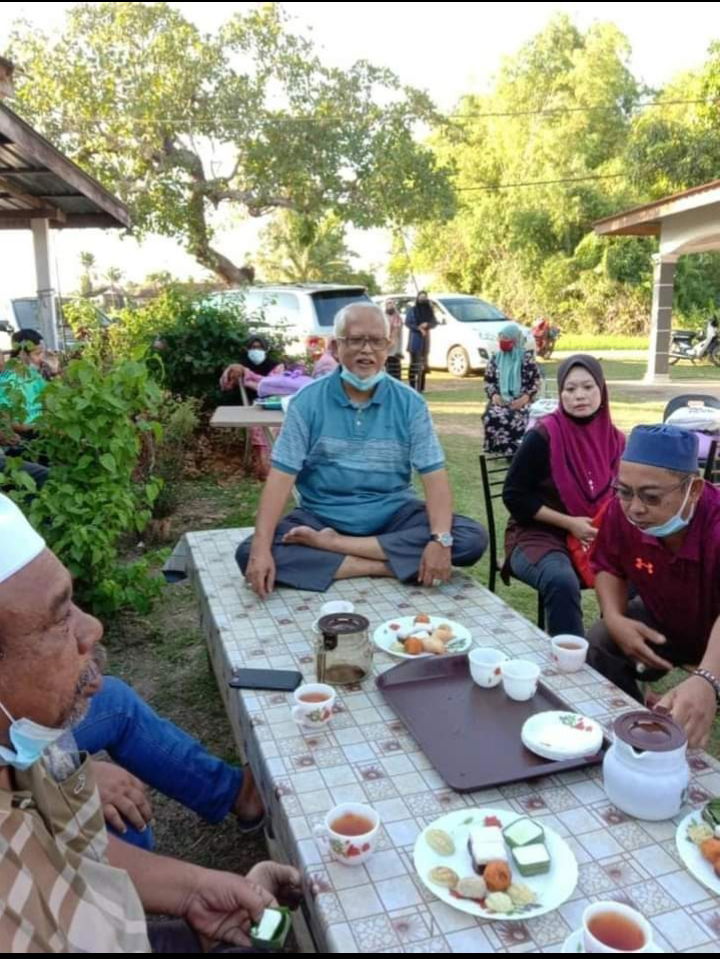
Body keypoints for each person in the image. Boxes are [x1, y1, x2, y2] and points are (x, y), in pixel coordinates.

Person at [0, 492, 301, 952]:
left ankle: (236, 794)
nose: (92, 627)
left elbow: (66, 847)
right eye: (59, 618)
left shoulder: (22, 749)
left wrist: (193, 895)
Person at [237, 303, 487, 596]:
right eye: (355, 340)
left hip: (393, 518)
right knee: (248, 552)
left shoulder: (410, 404)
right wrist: (260, 549)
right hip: (321, 517)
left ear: (389, 345)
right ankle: (384, 566)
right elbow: (280, 479)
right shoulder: (306, 403)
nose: (366, 350)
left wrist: (441, 541)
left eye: (376, 341)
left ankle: (334, 549)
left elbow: (435, 477)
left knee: (469, 538)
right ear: (336, 346)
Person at [587, 424, 720, 748]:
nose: (635, 508)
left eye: (651, 496)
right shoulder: (624, 514)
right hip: (667, 624)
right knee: (601, 640)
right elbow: (608, 564)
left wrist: (708, 677)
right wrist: (615, 618)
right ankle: (634, 731)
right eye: (624, 491)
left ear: (695, 489)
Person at [502, 355, 625, 637]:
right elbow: (514, 496)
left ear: (602, 390)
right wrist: (570, 523)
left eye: (588, 387)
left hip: (594, 538)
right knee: (561, 581)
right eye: (570, 389)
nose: (579, 396)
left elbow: (622, 498)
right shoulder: (543, 436)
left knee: (634, 576)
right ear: (560, 393)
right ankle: (569, 665)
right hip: (537, 537)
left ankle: (616, 658)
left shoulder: (616, 440)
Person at [74, 675, 265, 850]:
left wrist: (68, 762)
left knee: (113, 698)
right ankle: (139, 880)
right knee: (124, 824)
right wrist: (72, 774)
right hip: (44, 786)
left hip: (46, 754)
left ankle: (233, 792)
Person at [482, 323, 542, 456]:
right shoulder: (495, 359)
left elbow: (535, 381)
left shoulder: (527, 359)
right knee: (491, 415)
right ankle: (501, 450)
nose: (501, 341)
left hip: (522, 401)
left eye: (505, 338)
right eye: (500, 338)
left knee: (521, 417)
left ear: (514, 340)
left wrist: (525, 398)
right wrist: (494, 395)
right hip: (501, 401)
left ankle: (519, 451)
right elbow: (488, 381)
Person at [404, 291, 437, 392]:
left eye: (424, 297)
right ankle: (412, 385)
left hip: (425, 340)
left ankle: (421, 387)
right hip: (414, 340)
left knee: (423, 363)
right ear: (417, 298)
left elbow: (434, 322)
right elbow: (408, 323)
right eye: (421, 297)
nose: (422, 299)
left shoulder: (429, 310)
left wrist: (427, 324)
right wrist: (419, 328)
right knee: (414, 364)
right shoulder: (412, 310)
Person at [384, 298, 404, 380]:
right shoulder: (383, 317)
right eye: (388, 303)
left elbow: (397, 332)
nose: (390, 305)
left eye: (391, 303)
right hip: (385, 347)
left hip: (395, 348)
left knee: (395, 370)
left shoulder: (397, 317)